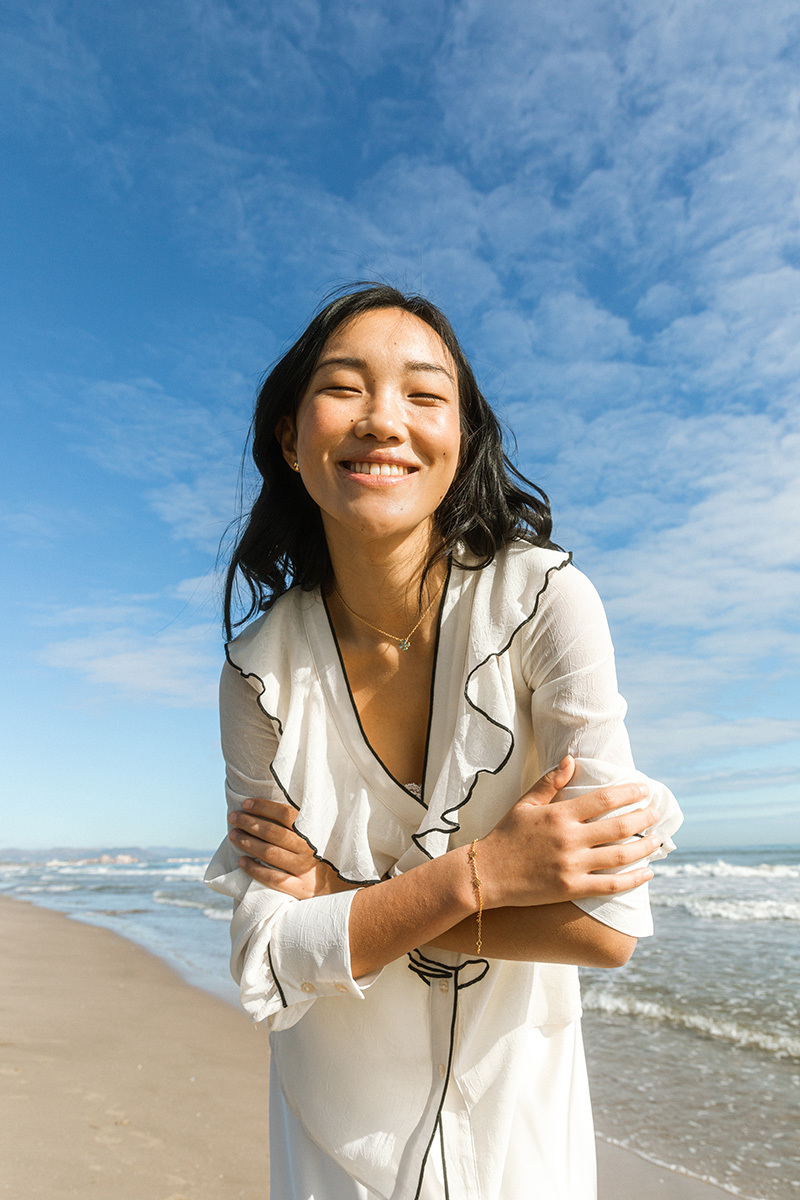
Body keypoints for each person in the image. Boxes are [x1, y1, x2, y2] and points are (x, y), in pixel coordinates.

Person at [205, 284, 682, 1200]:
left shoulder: (543, 605)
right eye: (345, 387)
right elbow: (266, 960)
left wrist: (345, 898)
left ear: (459, 441)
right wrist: (483, 876)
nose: (385, 420)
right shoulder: (259, 674)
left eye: (425, 396)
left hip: (517, 1132)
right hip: (333, 1136)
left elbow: (609, 927)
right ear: (289, 437)